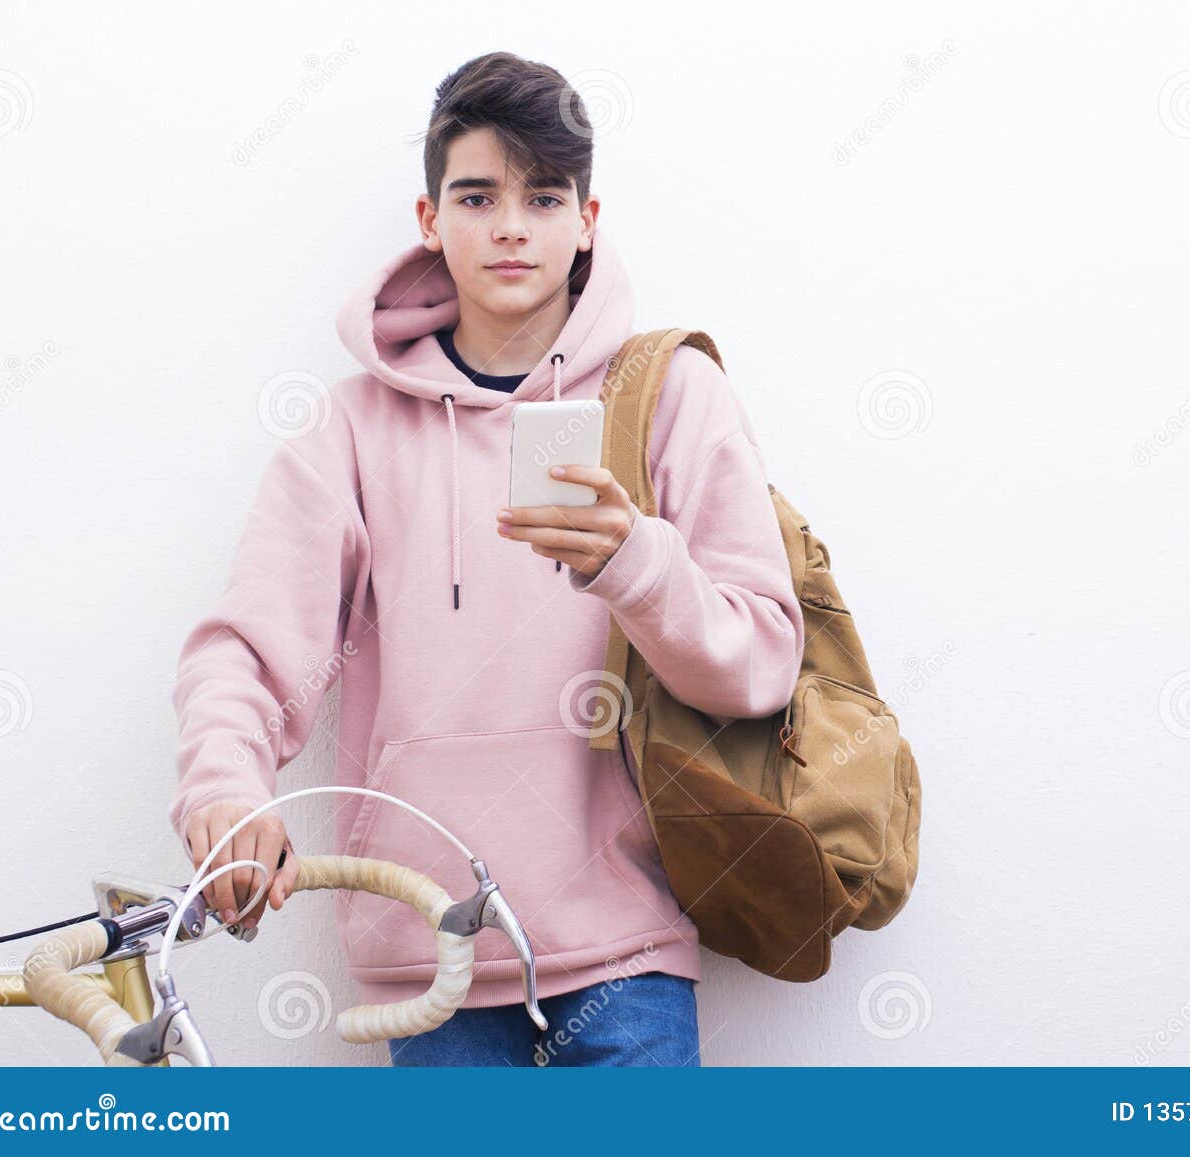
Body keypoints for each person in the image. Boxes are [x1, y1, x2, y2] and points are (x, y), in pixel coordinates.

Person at [168, 51, 805, 1067]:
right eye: (478, 194)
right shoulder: (352, 426)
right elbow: (248, 648)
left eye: (543, 195)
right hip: (432, 963)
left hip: (626, 958)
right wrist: (223, 789)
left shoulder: (673, 393)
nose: (511, 224)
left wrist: (638, 565)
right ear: (430, 219)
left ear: (587, 219)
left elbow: (764, 660)